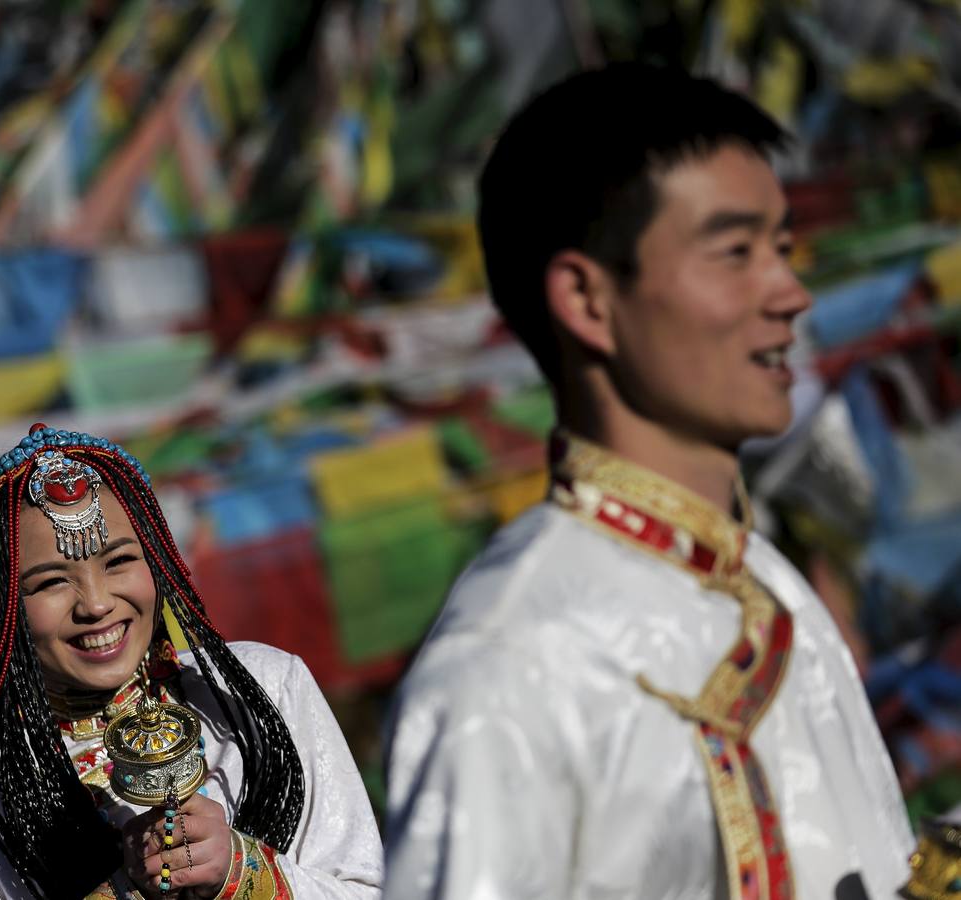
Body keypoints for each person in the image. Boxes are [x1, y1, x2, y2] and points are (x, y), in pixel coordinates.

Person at [382, 63, 913, 899]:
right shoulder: (512, 663)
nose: (790, 294)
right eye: (734, 253)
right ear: (587, 302)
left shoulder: (775, 590)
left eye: (780, 249)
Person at [0, 425, 382, 899]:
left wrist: (239, 869)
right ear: (0, 611)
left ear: (158, 562)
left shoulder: (268, 689)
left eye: (118, 562)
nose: (96, 603)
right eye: (51, 583)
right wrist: (127, 889)